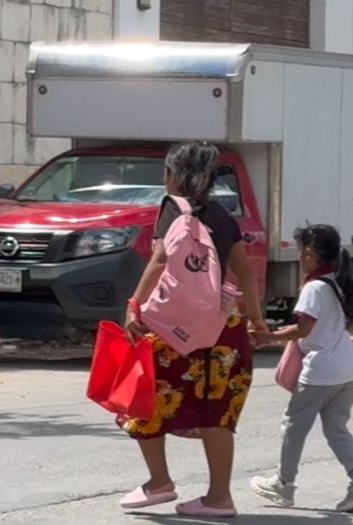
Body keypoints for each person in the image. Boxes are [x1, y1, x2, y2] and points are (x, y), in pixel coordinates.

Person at [118, 142, 268, 519]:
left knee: (144, 397)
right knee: (216, 411)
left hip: (172, 330)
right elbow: (245, 271)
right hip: (222, 326)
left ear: (174, 174)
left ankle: (159, 483)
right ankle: (219, 497)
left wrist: (134, 306)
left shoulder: (172, 210)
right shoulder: (222, 215)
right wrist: (256, 318)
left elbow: (159, 262)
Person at [249, 225, 353, 513]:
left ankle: (283, 485)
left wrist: (268, 336)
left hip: (320, 371)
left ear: (309, 254)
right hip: (348, 369)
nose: (299, 257)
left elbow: (305, 328)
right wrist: (280, 333)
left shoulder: (313, 287)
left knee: (293, 427)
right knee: (336, 428)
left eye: (300, 251)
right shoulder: (338, 283)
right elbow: (319, 328)